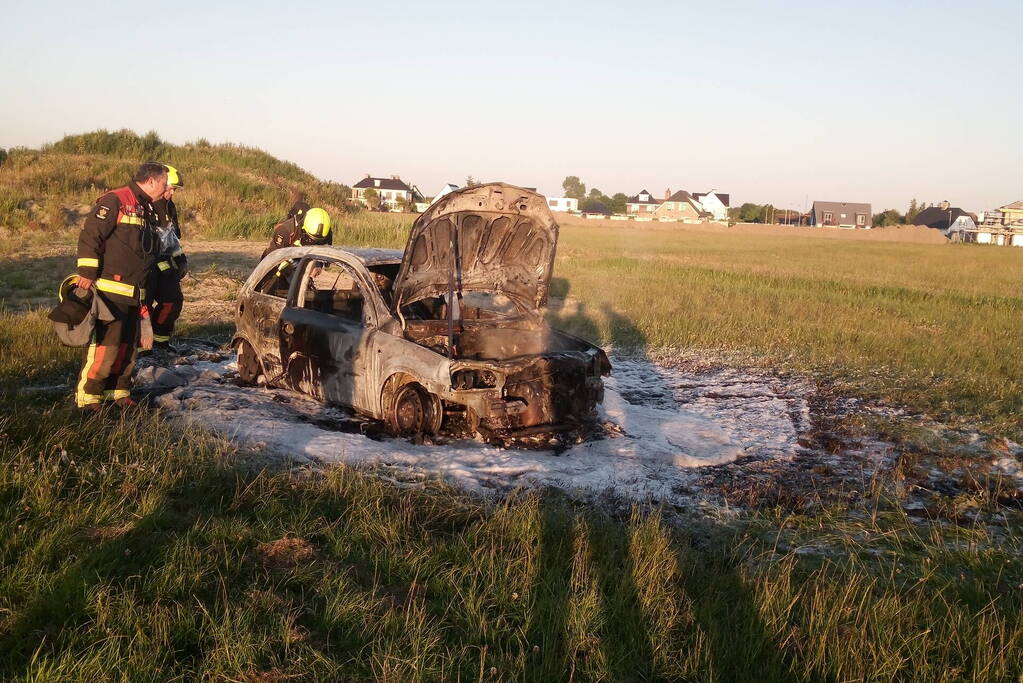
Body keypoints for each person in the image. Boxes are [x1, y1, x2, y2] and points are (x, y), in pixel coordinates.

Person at [74, 162, 166, 411]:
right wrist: (87, 272)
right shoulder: (116, 200)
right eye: (164, 183)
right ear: (151, 181)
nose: (167, 188)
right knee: (108, 346)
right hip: (112, 290)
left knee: (128, 347)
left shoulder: (147, 207)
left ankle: (118, 391)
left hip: (136, 292)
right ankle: (90, 397)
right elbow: (91, 235)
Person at [147, 164, 188, 349]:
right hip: (145, 266)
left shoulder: (169, 206)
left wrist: (180, 259)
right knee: (143, 306)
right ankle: (141, 348)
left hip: (164, 264)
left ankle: (161, 341)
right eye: (170, 188)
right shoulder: (143, 205)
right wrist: (159, 260)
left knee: (173, 301)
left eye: (173, 190)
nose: (172, 193)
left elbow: (172, 237)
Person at [261, 206, 332, 259]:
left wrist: (317, 266)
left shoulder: (326, 234)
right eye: (311, 238)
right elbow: (272, 258)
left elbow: (325, 258)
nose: (313, 241)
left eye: (317, 240)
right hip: (279, 257)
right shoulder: (285, 230)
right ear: (304, 227)